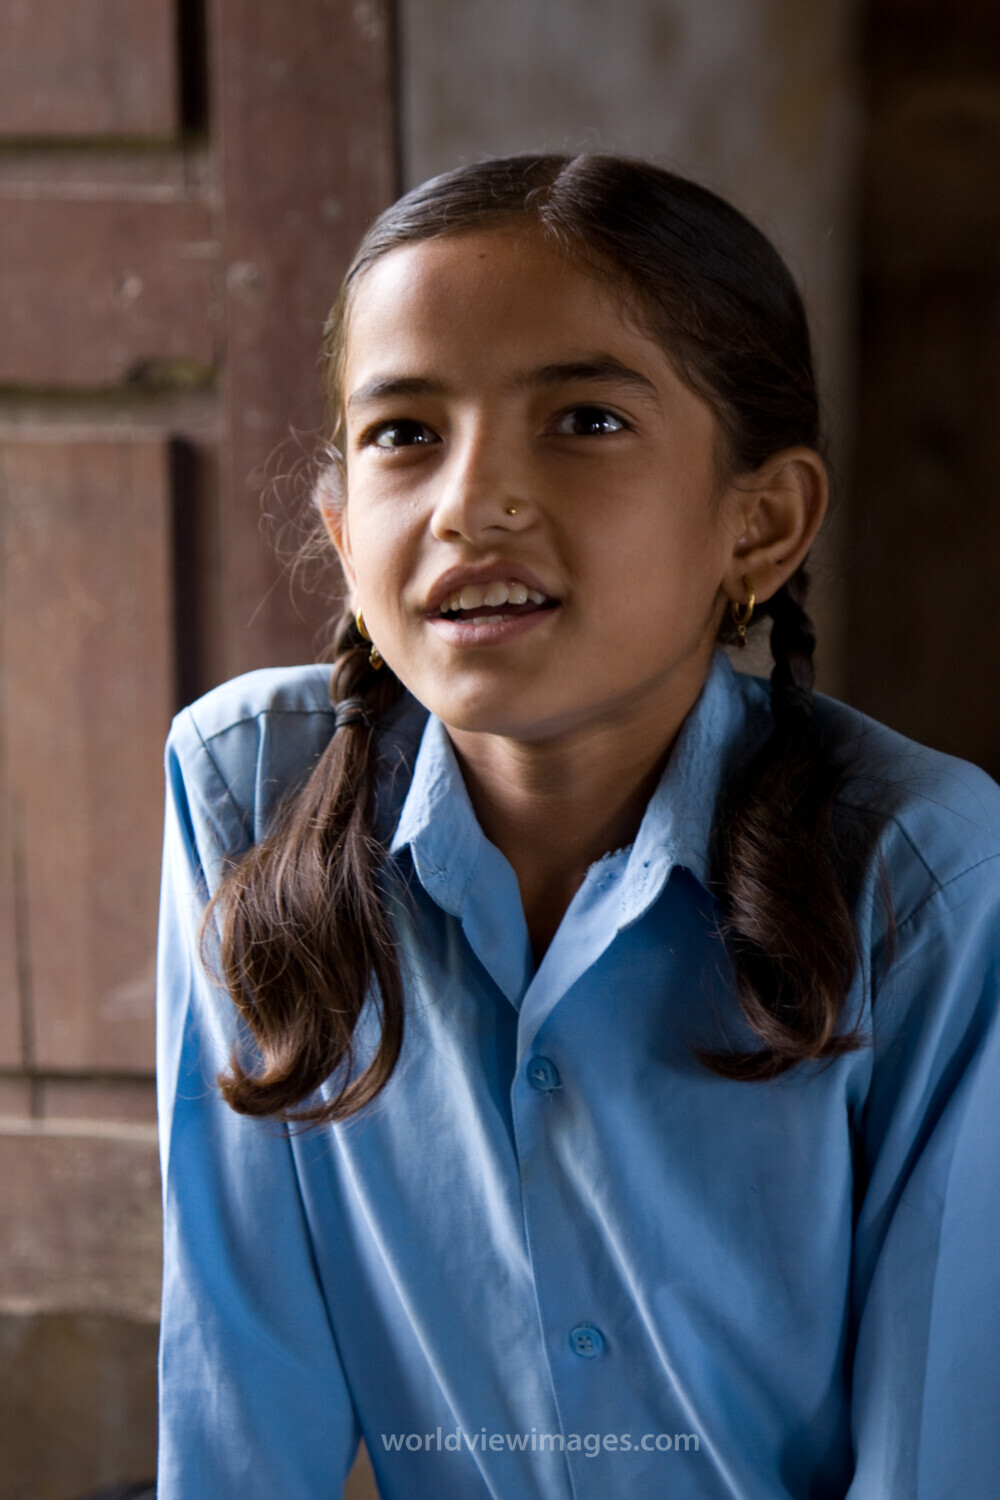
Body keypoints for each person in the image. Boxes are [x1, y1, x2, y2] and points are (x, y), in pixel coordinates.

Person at [156, 155, 1000, 1499]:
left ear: (761, 524)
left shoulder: (928, 873)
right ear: (343, 530)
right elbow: (241, 1412)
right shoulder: (246, 792)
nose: (470, 502)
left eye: (585, 420)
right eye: (404, 434)